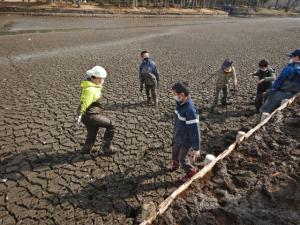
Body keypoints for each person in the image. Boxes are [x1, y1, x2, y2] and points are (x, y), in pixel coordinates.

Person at [75, 66, 115, 155]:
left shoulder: (92, 85)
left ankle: (86, 151)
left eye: (103, 78)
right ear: (94, 78)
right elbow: (84, 102)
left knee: (92, 133)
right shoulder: (90, 89)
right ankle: (106, 147)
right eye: (100, 79)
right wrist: (79, 116)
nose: (102, 80)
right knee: (111, 125)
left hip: (88, 115)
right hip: (90, 115)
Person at [167, 82, 200, 183]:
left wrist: (196, 148)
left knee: (182, 159)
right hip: (178, 136)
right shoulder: (180, 104)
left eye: (174, 94)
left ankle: (191, 172)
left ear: (181, 95)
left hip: (186, 140)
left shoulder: (190, 111)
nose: (174, 97)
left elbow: (194, 130)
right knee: (174, 153)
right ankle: (174, 165)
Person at [260, 49, 300, 115]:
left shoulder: (289, 68)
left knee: (264, 110)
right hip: (293, 94)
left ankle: (259, 121)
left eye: (292, 57)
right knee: (279, 111)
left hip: (281, 93)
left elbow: (278, 82)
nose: (291, 58)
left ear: (297, 57)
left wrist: (268, 92)